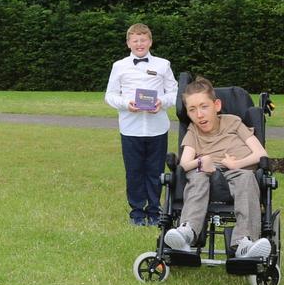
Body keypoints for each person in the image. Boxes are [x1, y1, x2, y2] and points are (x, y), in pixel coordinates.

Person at [163, 77, 272, 260]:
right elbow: (184, 164)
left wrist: (236, 164)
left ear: (217, 105)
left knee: (246, 178)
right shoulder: (193, 131)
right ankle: (187, 232)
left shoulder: (234, 122)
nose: (199, 114)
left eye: (204, 106)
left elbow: (261, 154)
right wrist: (201, 162)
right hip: (207, 172)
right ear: (188, 114)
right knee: (197, 176)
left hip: (239, 170)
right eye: (192, 109)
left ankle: (243, 243)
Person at [104, 23, 177, 226]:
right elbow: (109, 96)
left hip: (157, 128)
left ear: (150, 41)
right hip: (130, 128)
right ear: (128, 43)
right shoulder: (119, 66)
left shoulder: (164, 64)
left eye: (143, 39)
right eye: (135, 40)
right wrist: (127, 104)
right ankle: (137, 213)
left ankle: (154, 212)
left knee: (155, 171)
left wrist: (162, 103)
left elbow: (174, 92)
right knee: (134, 171)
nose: (139, 44)